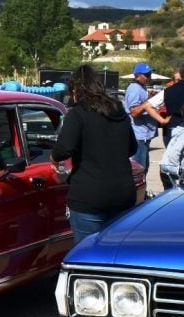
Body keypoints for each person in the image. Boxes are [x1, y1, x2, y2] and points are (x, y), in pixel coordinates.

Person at [52, 64, 138, 244]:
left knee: (88, 254)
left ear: (76, 89)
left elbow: (63, 150)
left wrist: (53, 158)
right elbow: (132, 148)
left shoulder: (78, 113)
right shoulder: (119, 112)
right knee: (116, 254)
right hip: (123, 193)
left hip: (88, 196)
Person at [124, 63, 168, 172]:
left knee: (144, 167)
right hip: (138, 135)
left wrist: (150, 98)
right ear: (137, 76)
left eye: (150, 74)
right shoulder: (134, 88)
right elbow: (134, 112)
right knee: (139, 169)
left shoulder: (142, 87)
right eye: (147, 75)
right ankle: (137, 189)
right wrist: (150, 102)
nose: (150, 77)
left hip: (144, 135)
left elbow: (142, 105)